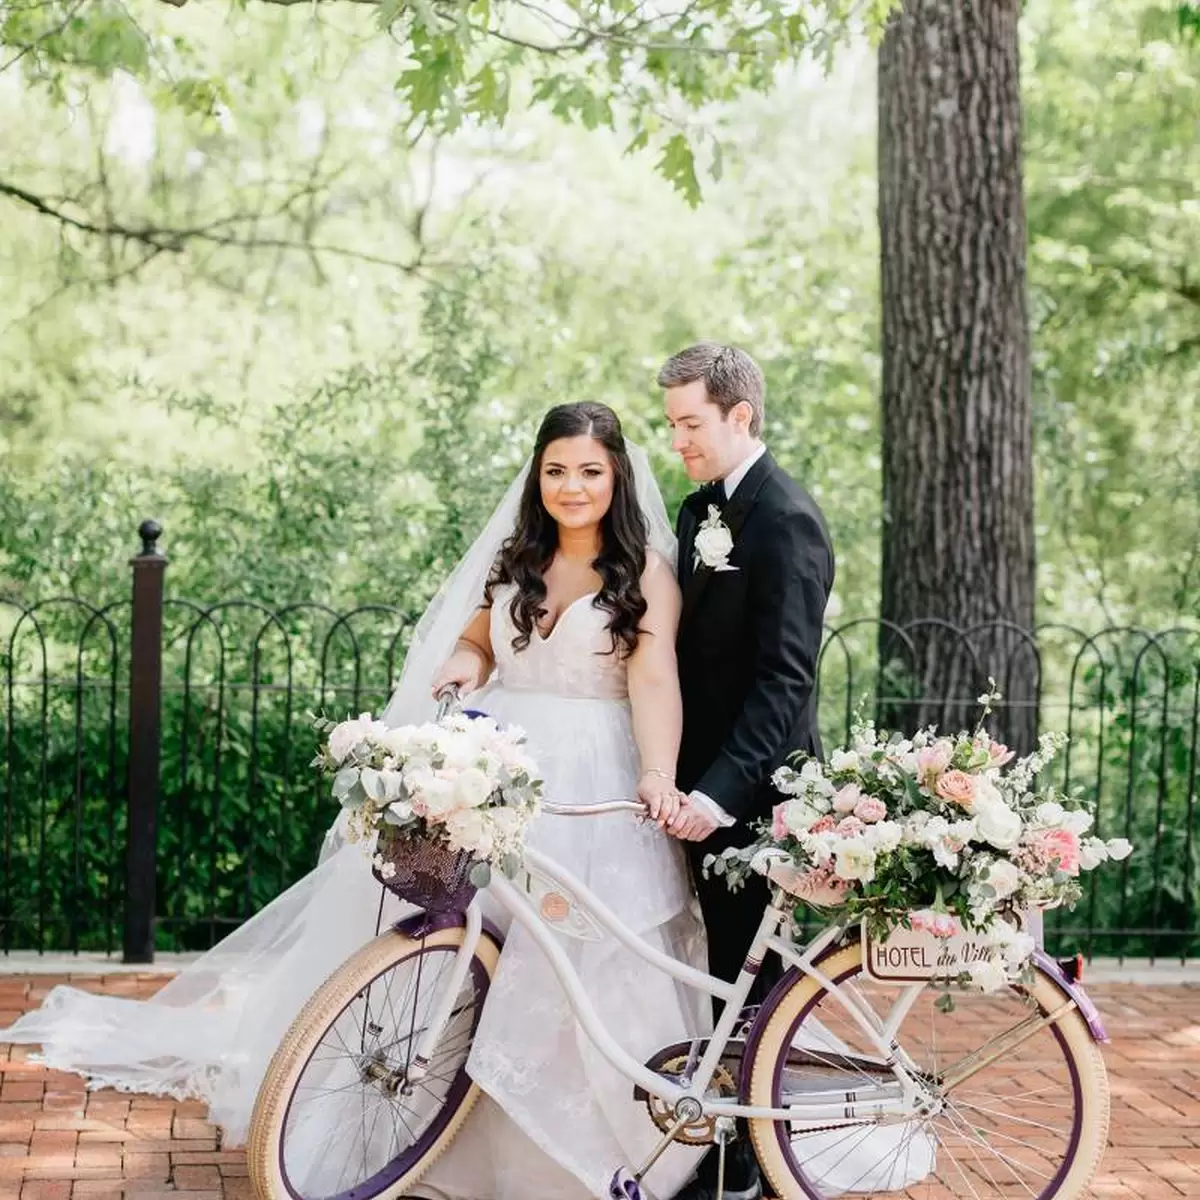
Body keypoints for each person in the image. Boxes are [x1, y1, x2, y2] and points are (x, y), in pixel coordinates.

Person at [0, 401, 708, 1200]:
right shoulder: (519, 559)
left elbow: (654, 679)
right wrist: (465, 669)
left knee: (569, 957)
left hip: (594, 774)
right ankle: (433, 1125)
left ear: (615, 476)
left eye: (588, 471)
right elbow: (479, 641)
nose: (571, 487)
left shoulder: (644, 567)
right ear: (536, 476)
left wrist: (657, 773)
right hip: (502, 763)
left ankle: (564, 1151)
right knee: (466, 938)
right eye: (555, 470)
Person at [658, 343, 835, 1200]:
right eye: (673, 426)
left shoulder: (787, 519)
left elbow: (785, 683)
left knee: (753, 986)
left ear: (741, 416)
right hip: (697, 784)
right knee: (721, 979)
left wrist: (719, 793)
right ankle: (732, 1155)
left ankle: (759, 1168)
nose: (679, 441)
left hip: (760, 795)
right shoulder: (702, 512)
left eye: (691, 424)